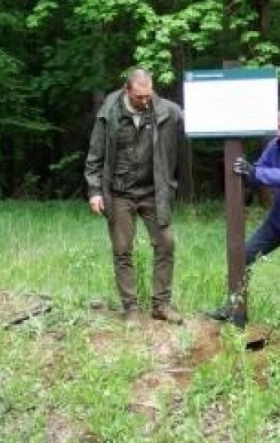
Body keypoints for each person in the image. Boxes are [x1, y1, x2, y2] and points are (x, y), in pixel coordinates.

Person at [206, 108, 280, 323]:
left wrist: (256, 173)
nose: (279, 133)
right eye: (277, 128)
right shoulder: (277, 145)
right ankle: (233, 308)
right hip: (278, 220)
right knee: (242, 258)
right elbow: (259, 170)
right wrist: (247, 172)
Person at [84, 67, 185, 324]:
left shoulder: (168, 112)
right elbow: (95, 155)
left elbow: (195, 127)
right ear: (127, 90)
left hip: (154, 192)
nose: (145, 100)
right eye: (140, 96)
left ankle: (161, 305)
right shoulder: (109, 113)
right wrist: (95, 191)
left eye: (148, 95)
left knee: (166, 244)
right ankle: (130, 308)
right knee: (122, 250)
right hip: (119, 193)